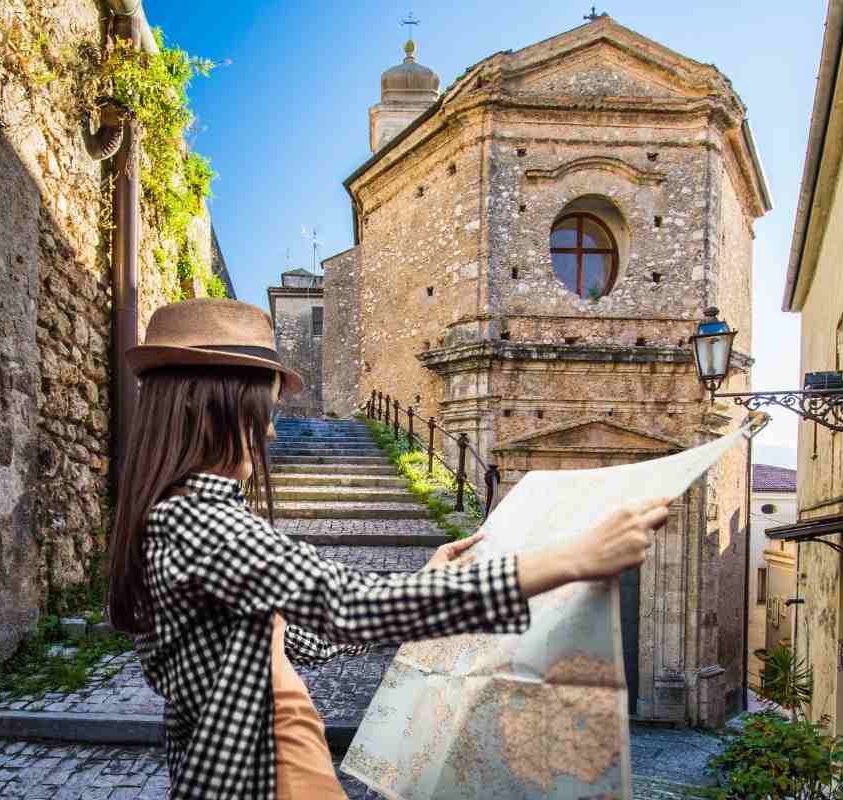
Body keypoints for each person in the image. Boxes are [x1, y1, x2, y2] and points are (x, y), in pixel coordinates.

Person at [107, 299, 670, 800]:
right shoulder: (198, 523)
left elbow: (303, 629)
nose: (272, 435)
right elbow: (347, 604)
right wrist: (568, 560)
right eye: (264, 415)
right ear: (207, 411)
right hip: (264, 770)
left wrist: (419, 583)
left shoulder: (189, 519)